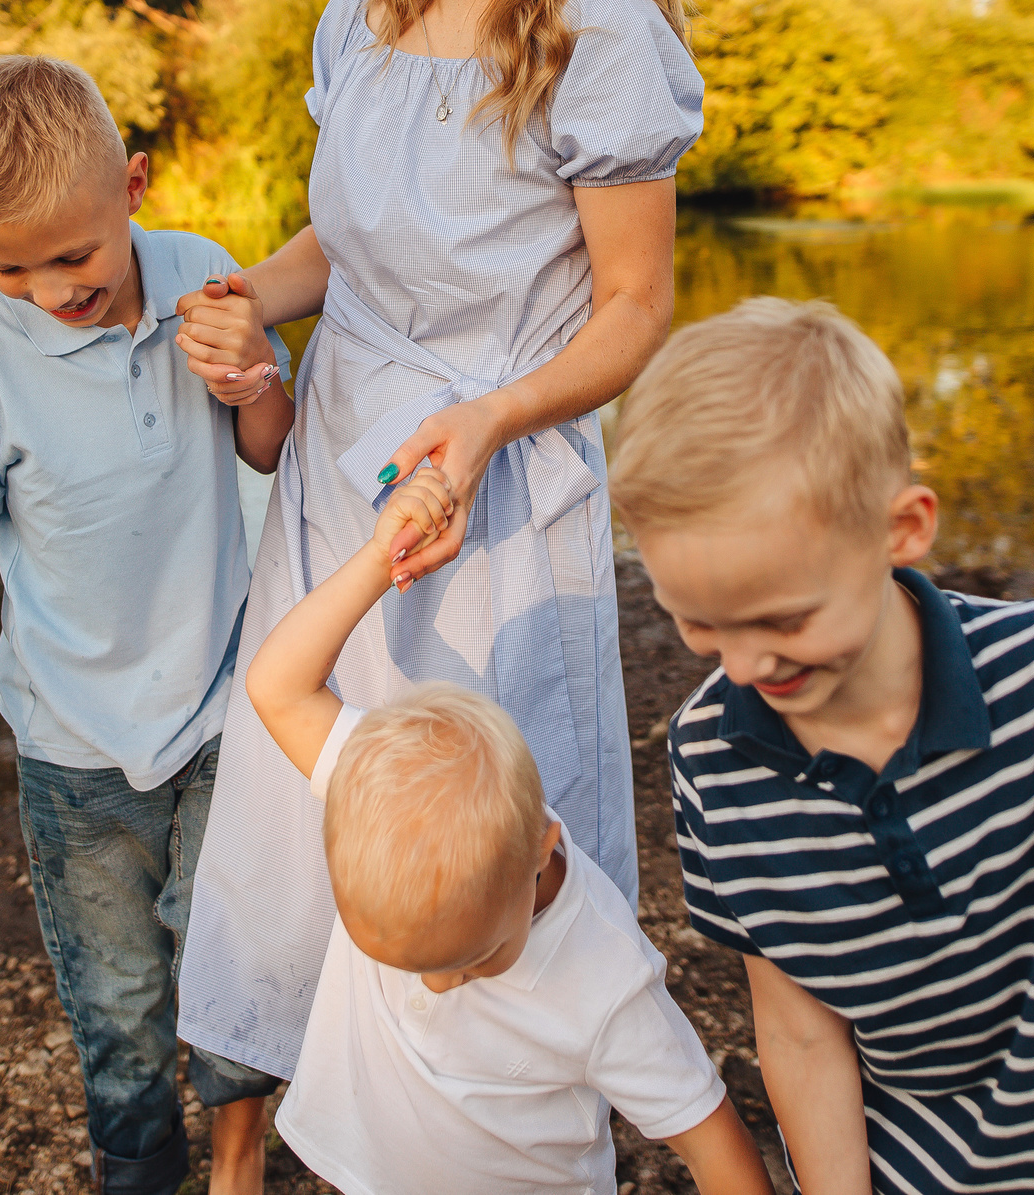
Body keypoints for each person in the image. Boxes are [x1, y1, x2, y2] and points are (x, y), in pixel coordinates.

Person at [174, 0, 702, 1081]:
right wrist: (244, 301)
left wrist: (487, 421)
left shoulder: (603, 30)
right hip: (341, 473)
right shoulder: (358, 14)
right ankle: (358, 1106)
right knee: (322, 799)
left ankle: (502, 1115)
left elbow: (636, 308)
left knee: (479, 828)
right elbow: (335, 246)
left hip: (491, 496)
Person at [612, 300, 1034, 1195]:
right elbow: (799, 1025)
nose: (741, 665)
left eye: (783, 619)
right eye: (696, 621)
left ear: (903, 529)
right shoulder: (711, 756)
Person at [0, 57, 293, 1195]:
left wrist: (253, 376)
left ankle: (238, 1164)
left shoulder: (206, 278)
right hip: (73, 754)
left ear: (133, 185)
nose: (51, 288)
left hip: (224, 711)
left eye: (72, 255)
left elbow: (268, 449)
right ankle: (137, 1174)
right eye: (8, 267)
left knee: (234, 960)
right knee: (116, 1006)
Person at [242, 461, 775, 1195]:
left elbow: (713, 1140)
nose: (438, 983)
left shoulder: (602, 976)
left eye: (472, 956)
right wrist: (377, 558)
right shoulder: (382, 793)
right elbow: (276, 683)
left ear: (540, 852)